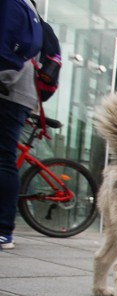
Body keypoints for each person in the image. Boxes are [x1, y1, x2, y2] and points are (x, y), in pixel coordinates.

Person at [0, 0, 41, 250]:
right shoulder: (26, 6)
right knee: (5, 156)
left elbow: (8, 51)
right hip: (18, 93)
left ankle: (4, 229)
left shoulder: (12, 4)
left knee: (4, 157)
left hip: (8, 90)